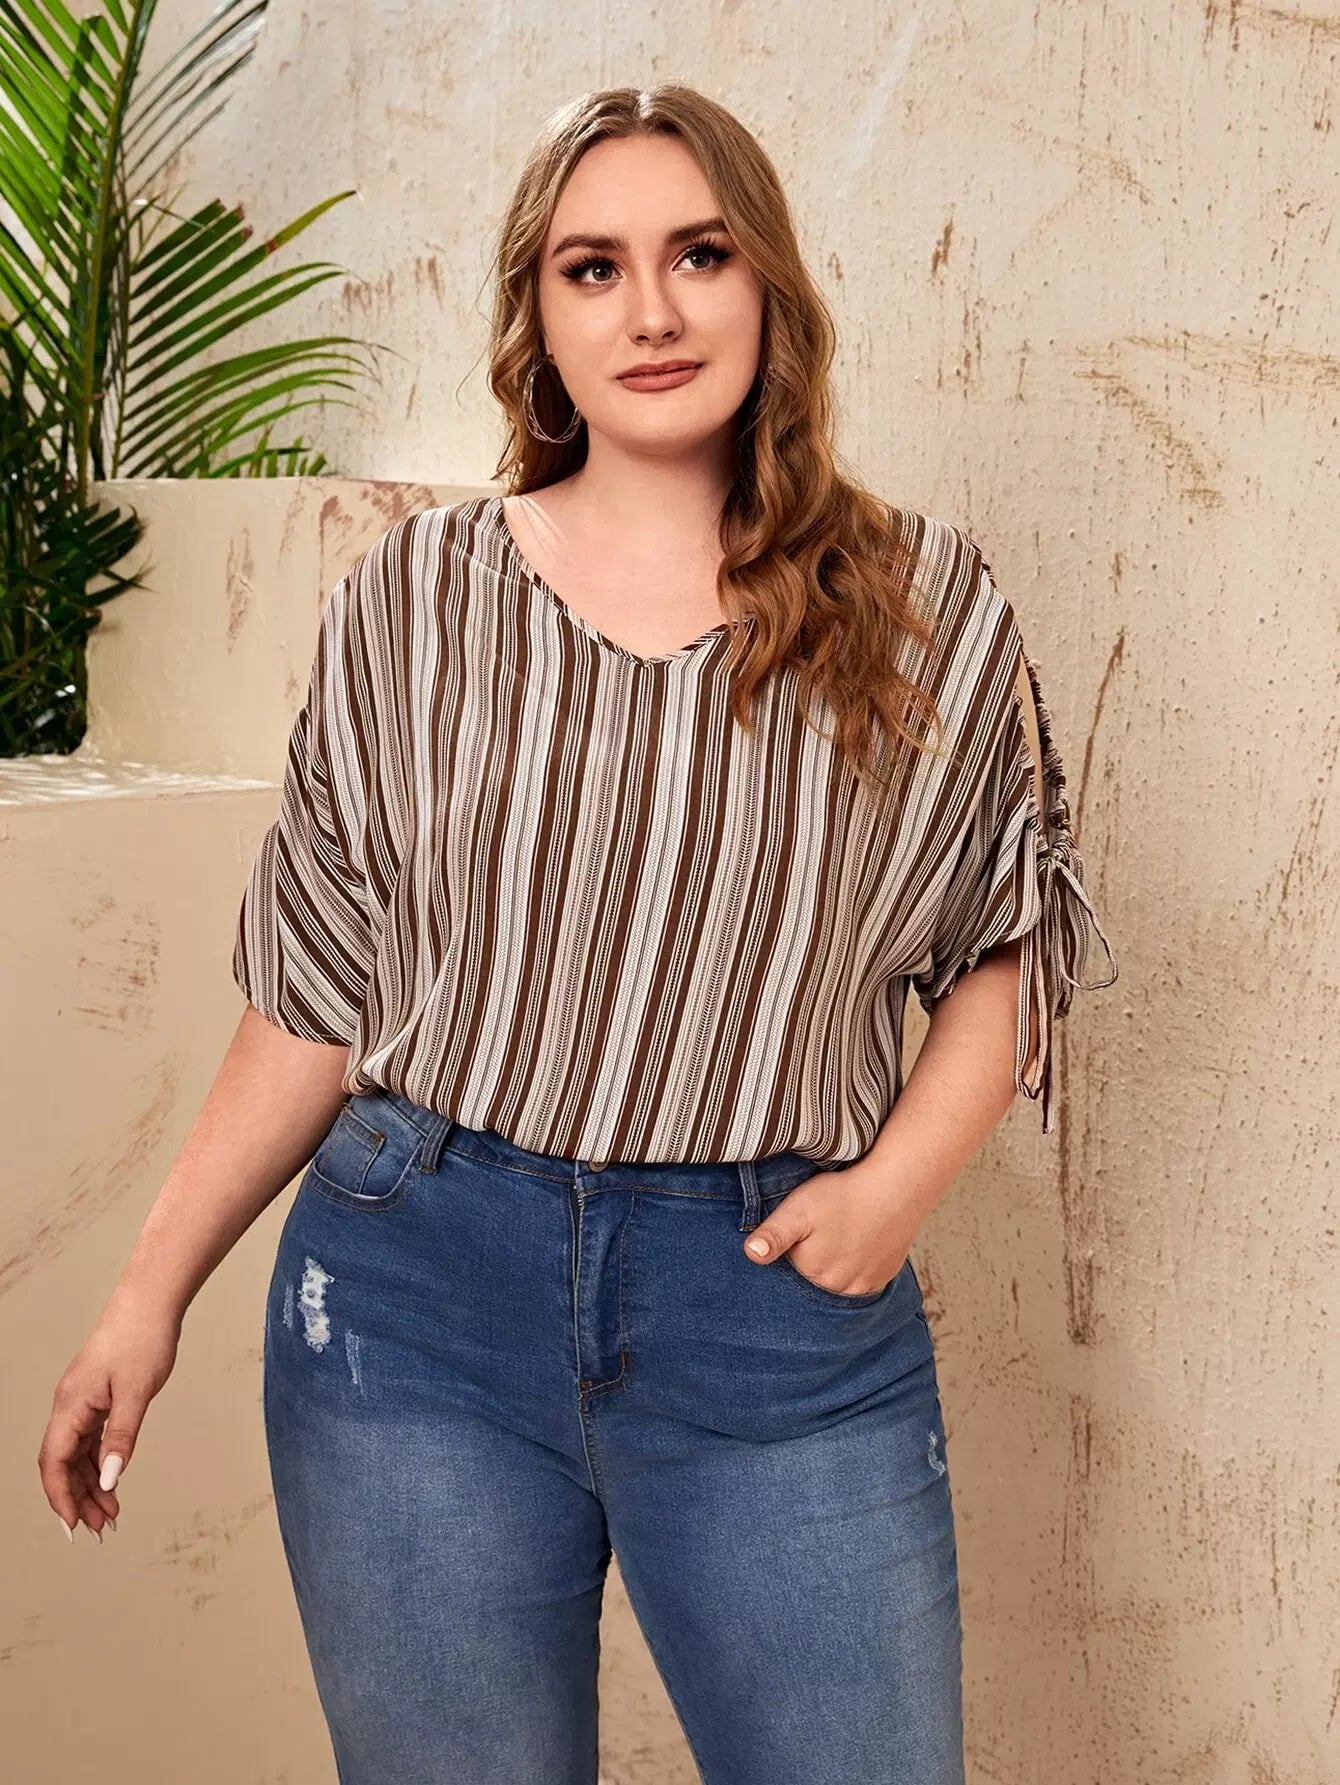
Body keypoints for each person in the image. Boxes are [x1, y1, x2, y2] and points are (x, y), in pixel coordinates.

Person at [38, 82, 1118, 1785]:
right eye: (592, 268)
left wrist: (895, 1190)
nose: (653, 310)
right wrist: (143, 1297)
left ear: (769, 282)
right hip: (413, 1299)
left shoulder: (924, 607)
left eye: (700, 254)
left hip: (768, 1312)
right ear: (537, 319)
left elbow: (1004, 937)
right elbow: (319, 992)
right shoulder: (415, 598)